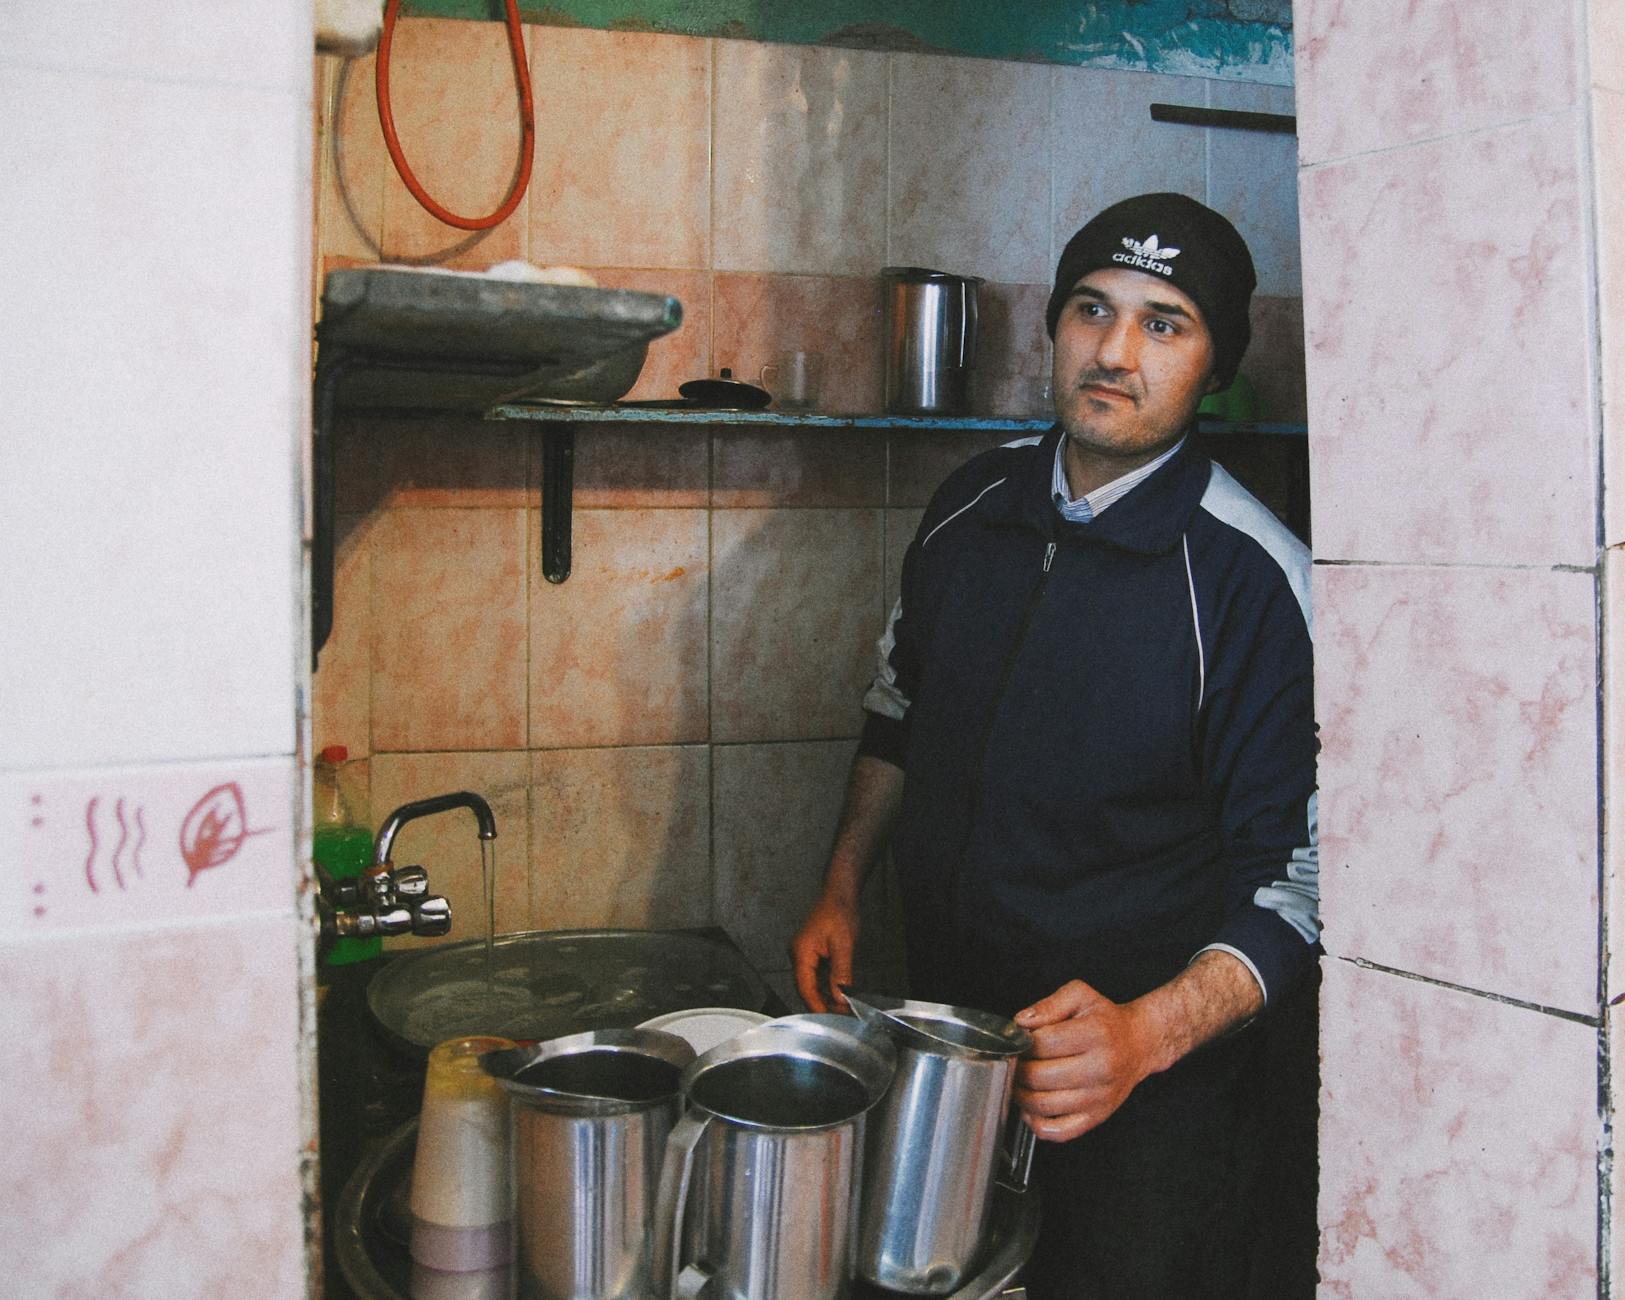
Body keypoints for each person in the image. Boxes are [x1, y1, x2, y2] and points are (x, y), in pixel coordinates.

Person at [790, 192, 1318, 1298]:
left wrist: (1143, 1035)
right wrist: (841, 883)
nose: (1114, 351)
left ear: (1214, 364)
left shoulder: (1254, 583)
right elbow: (899, 708)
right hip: (949, 1060)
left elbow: (1302, 891)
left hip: (1145, 1109)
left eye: (1163, 323)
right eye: (1091, 308)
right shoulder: (968, 507)